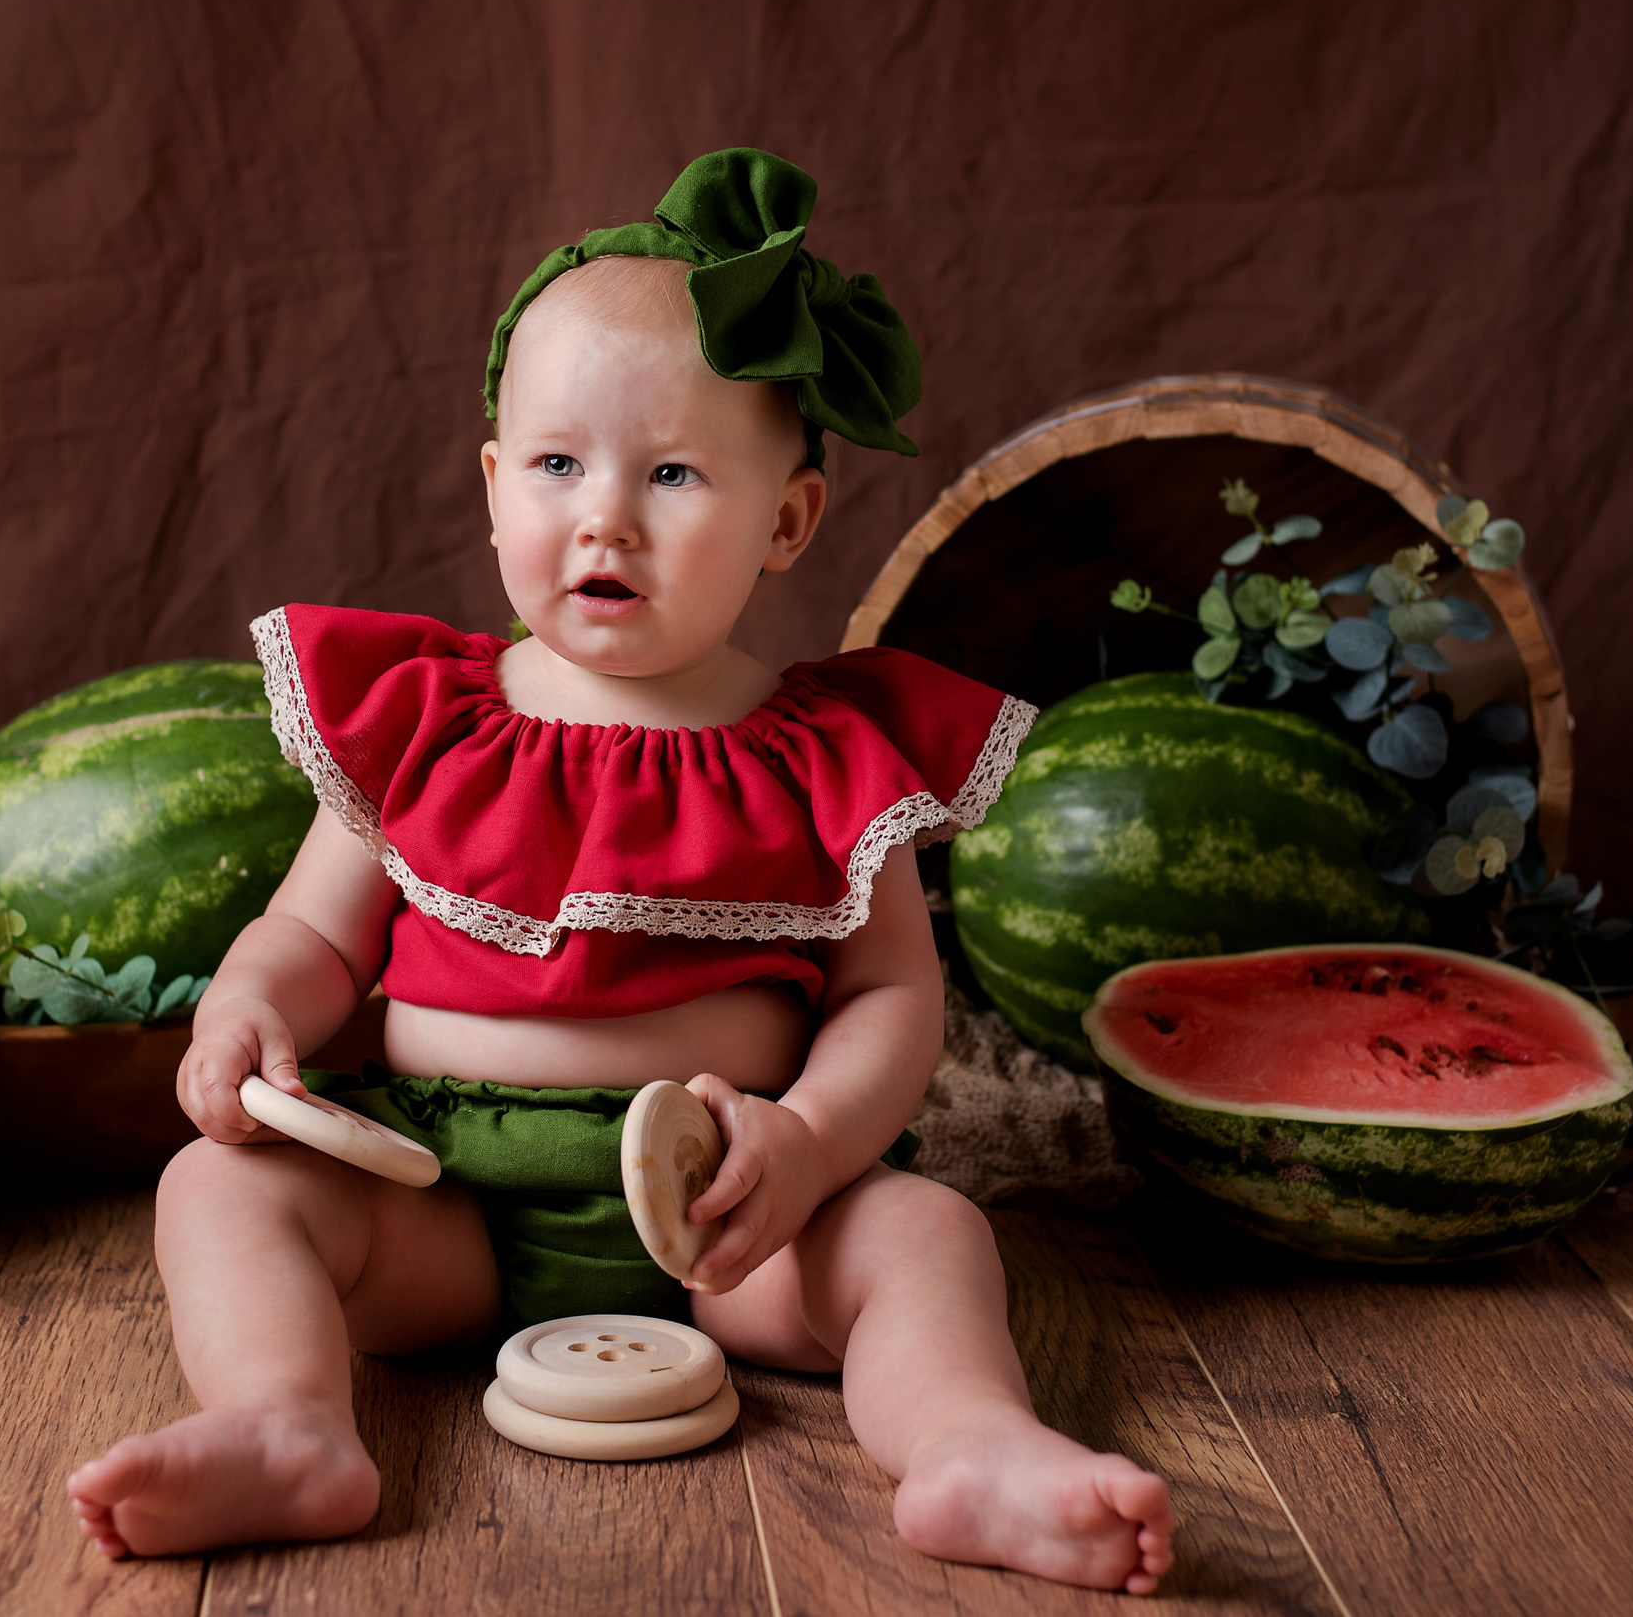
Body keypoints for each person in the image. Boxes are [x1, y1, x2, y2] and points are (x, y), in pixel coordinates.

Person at [67, 149, 1175, 1593]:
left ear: (787, 521)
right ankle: (282, 1418)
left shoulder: (825, 755)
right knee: (218, 1190)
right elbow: (313, 937)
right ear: (490, 487)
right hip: (441, 1197)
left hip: (734, 1219)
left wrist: (815, 1146)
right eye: (556, 465)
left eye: (670, 472)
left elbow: (894, 994)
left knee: (924, 1232)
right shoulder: (424, 717)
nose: (605, 514)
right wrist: (249, 1007)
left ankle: (969, 1442)